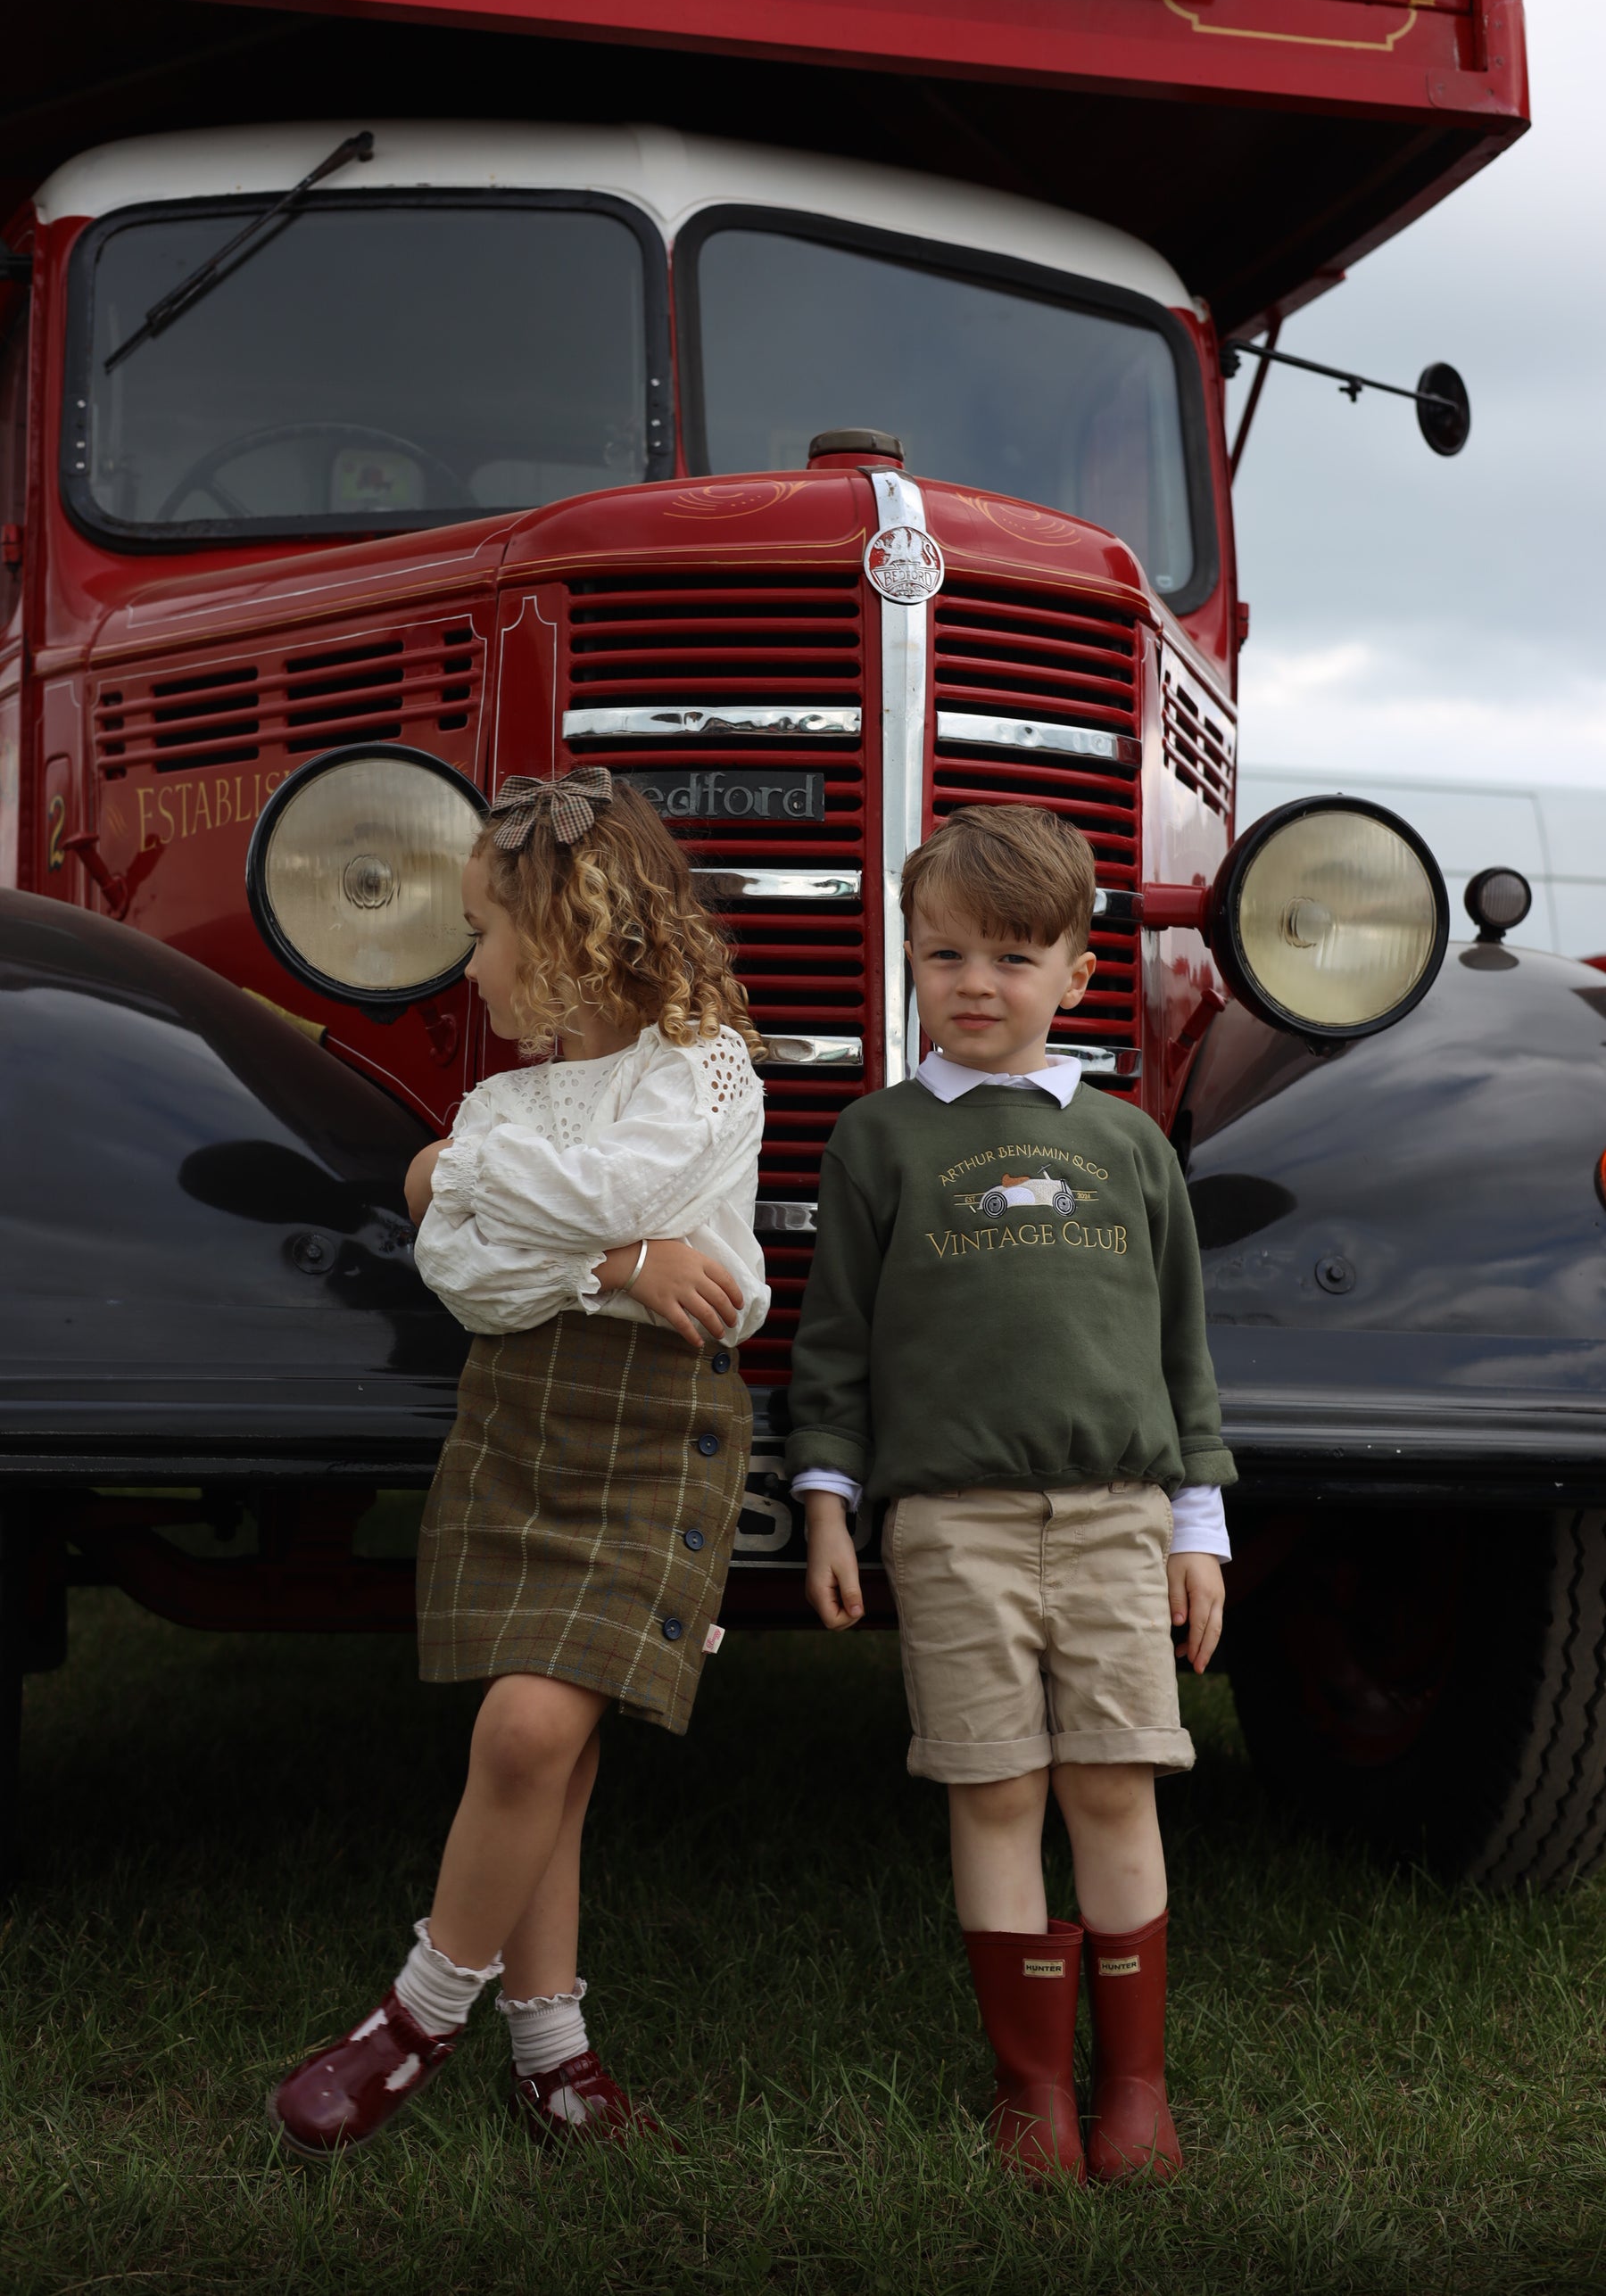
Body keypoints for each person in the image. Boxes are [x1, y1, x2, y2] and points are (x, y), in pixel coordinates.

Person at [269, 766, 769, 2157]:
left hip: (652, 1424)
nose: (471, 960)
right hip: (519, 1412)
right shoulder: (507, 1102)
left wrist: (462, 1174)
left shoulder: (705, 1068)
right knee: (550, 1749)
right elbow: (467, 1280)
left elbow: (614, 1189)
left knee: (530, 1730)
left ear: (573, 934)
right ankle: (555, 2053)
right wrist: (613, 1261)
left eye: (487, 931)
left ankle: (416, 2019)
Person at [788, 803, 1232, 2186]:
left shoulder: (1130, 1146)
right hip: (949, 1526)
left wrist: (1197, 1525)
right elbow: (835, 1340)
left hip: (1114, 1514)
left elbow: (1182, 1350)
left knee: (1112, 1784)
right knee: (993, 1790)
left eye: (1014, 956)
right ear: (910, 963)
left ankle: (1137, 2089)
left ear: (1077, 974)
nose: (977, 984)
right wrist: (826, 1504)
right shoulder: (880, 1140)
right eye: (946, 955)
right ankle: (1033, 2087)